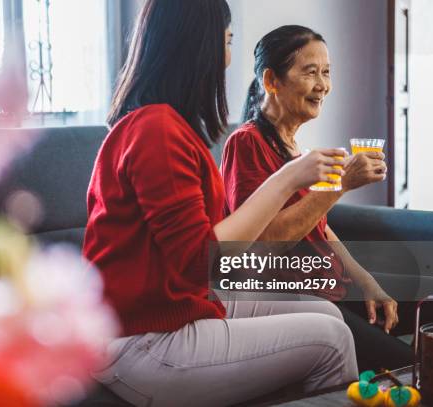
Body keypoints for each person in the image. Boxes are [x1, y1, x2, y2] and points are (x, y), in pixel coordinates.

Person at [83, 3, 358, 406]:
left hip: (174, 304)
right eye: (227, 42)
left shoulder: (163, 124)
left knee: (328, 315)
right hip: (143, 339)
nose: (229, 58)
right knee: (333, 341)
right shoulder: (157, 130)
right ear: (200, 47)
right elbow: (202, 262)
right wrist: (289, 178)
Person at [221, 25, 433, 371]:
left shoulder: (295, 149)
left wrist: (368, 282)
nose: (323, 85)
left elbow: (322, 230)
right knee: (414, 366)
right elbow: (265, 243)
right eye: (310, 72)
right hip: (306, 299)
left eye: (327, 72)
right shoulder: (246, 143)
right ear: (272, 80)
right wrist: (341, 185)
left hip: (338, 285)